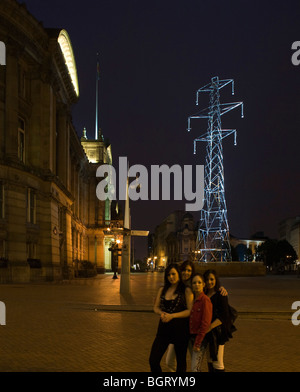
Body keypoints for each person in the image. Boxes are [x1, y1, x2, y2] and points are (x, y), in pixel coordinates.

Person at [165, 261, 228, 372]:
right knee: (177, 360)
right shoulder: (181, 287)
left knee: (214, 363)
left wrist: (206, 329)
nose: (186, 272)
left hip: (208, 334)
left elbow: (219, 317)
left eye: (189, 270)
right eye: (184, 270)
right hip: (185, 332)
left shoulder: (207, 298)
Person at [149, 263, 193, 372]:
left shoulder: (186, 290)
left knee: (181, 362)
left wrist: (172, 316)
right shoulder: (162, 289)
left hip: (180, 329)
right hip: (163, 329)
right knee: (153, 360)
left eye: (173, 274)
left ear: (179, 274)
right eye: (168, 275)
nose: (171, 277)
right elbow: (156, 307)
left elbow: (189, 311)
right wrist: (161, 313)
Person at [203, 269, 236, 372]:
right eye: (207, 279)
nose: (209, 282)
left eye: (212, 279)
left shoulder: (221, 294)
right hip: (207, 333)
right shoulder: (203, 293)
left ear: (216, 280)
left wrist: (210, 327)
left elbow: (224, 316)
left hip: (217, 333)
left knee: (218, 363)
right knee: (210, 360)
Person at [189, 273, 212, 372]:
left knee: (195, 368)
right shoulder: (191, 299)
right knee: (196, 366)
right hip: (191, 337)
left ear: (203, 284)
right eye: (194, 283)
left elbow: (205, 324)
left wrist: (198, 343)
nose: (196, 285)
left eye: (199, 282)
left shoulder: (205, 300)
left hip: (199, 339)